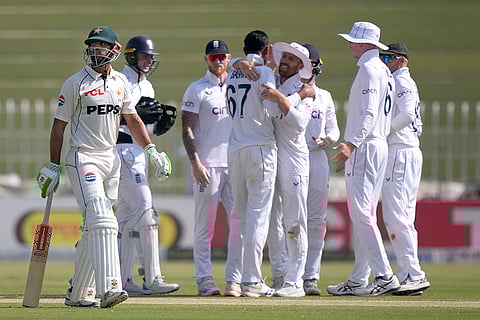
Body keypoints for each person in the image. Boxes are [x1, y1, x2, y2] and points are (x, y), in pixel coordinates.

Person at [36, 26, 172, 308]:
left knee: (93, 228)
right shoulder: (75, 83)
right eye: (92, 46)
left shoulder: (121, 81)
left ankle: (79, 292)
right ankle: (110, 287)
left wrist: (152, 150)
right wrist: (53, 165)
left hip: (111, 159)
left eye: (101, 46)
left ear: (115, 50)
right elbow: (58, 126)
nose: (95, 50)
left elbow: (132, 119)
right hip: (83, 157)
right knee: (103, 218)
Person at [328, 21, 400, 296]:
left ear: (364, 43)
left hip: (367, 146)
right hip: (376, 144)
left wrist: (351, 144)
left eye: (352, 40)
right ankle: (359, 278)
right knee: (364, 214)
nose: (349, 44)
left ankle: (383, 275)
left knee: (361, 213)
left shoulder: (370, 69)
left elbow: (369, 113)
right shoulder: (381, 69)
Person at [225, 30, 288, 297]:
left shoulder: (232, 71)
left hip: (235, 148)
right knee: (258, 217)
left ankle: (234, 280)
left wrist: (236, 62)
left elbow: (234, 65)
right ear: (267, 49)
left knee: (239, 218)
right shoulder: (264, 72)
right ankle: (252, 280)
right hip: (260, 148)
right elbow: (275, 111)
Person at [115, 35, 179, 296]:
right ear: (131, 57)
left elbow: (143, 123)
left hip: (138, 153)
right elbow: (112, 118)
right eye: (144, 57)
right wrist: (135, 117)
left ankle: (121, 280)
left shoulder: (148, 85)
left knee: (127, 220)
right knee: (146, 212)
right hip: (122, 150)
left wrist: (156, 126)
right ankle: (152, 278)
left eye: (150, 57)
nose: (148, 61)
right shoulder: (120, 81)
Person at [181, 39, 242, 297]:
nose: (217, 61)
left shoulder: (239, 86)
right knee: (205, 228)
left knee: (240, 224)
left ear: (229, 58)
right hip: (207, 166)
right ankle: (204, 280)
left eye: (221, 56)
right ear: (205, 60)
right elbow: (186, 127)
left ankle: (235, 281)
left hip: (237, 164)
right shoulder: (197, 89)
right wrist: (195, 162)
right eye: (212, 57)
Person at [379, 42, 430, 296]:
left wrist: (383, 131)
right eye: (381, 57)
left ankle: (414, 274)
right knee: (402, 217)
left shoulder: (401, 81)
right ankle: (407, 273)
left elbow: (408, 113)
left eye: (388, 57)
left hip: (401, 151)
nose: (383, 61)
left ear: (402, 60)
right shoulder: (397, 79)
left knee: (396, 216)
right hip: (405, 151)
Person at [265, 42, 313, 297]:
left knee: (295, 221)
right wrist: (287, 100)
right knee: (272, 221)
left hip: (294, 159)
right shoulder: (274, 81)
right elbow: (270, 109)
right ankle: (280, 275)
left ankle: (296, 280)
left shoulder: (305, 89)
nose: (285, 61)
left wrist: (285, 99)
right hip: (271, 155)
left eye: (292, 59)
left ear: (300, 66)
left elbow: (298, 123)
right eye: (284, 56)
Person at [301, 43, 340, 296]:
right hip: (292, 157)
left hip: (317, 160)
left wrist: (328, 140)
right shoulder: (289, 91)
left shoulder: (324, 96)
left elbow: (334, 129)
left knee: (316, 221)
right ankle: (286, 275)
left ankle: (310, 277)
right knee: (290, 219)